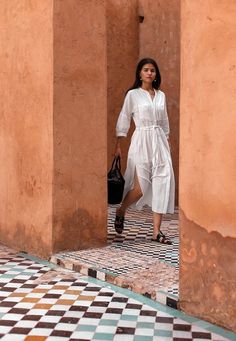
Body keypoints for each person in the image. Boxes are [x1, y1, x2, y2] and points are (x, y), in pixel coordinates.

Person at [114, 57, 175, 245]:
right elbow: (124, 117)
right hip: (141, 140)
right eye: (146, 70)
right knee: (141, 188)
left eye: (153, 70)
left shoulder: (161, 96)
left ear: (156, 74)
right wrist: (118, 144)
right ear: (140, 73)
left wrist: (167, 142)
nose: (150, 73)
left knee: (163, 183)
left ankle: (156, 232)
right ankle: (121, 210)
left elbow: (164, 122)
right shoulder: (133, 95)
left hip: (159, 142)